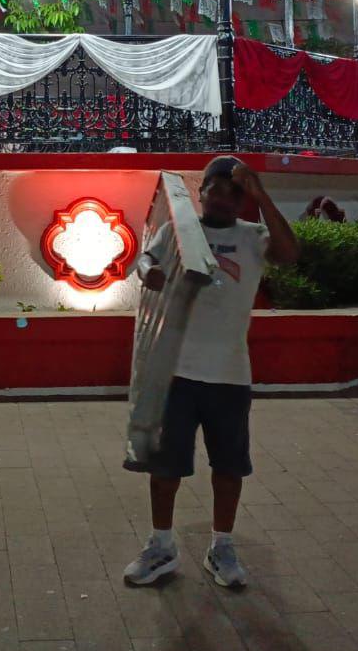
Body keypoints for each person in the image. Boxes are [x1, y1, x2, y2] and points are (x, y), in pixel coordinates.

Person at [122, 156, 299, 590]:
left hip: (229, 376)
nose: (222, 196)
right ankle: (161, 547)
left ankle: (221, 546)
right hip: (176, 373)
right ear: (200, 192)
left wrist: (261, 193)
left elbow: (290, 254)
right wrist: (152, 272)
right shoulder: (178, 233)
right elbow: (144, 260)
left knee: (229, 468)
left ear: (243, 199)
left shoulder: (253, 236)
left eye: (233, 190)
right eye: (215, 187)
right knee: (165, 469)